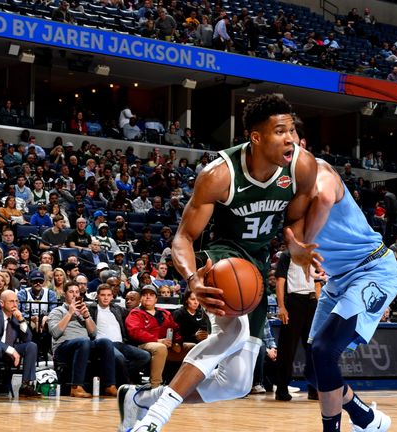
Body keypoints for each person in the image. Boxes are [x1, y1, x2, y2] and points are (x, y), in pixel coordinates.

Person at [121, 94, 317, 431]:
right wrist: (191, 279)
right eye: (281, 131)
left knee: (236, 383)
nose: (291, 138)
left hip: (255, 268)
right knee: (233, 332)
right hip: (221, 259)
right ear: (256, 137)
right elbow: (183, 238)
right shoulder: (219, 174)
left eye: (292, 131)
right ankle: (155, 419)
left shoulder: (302, 166)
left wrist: (295, 248)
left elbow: (293, 223)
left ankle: (142, 399)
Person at [281, 157, 397, 432]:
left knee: (324, 351)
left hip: (372, 269)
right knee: (313, 371)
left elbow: (323, 198)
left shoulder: (321, 170)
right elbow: (290, 234)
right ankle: (366, 418)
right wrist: (295, 245)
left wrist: (303, 246)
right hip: (338, 280)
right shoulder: (283, 190)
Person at [48, 281, 118, 398]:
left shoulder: (83, 311)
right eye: (71, 292)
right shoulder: (57, 311)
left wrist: (86, 316)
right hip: (63, 348)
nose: (75, 295)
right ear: (65, 294)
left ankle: (109, 385)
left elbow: (93, 333)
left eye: (77, 292)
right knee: (84, 342)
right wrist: (70, 313)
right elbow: (55, 333)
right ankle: (76, 387)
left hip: (84, 346)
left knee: (105, 342)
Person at [125, 285, 194, 388]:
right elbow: (135, 332)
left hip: (166, 344)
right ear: (141, 299)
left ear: (156, 299)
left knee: (192, 347)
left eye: (151, 295)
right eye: (145, 295)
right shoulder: (135, 313)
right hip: (143, 345)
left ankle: (188, 383)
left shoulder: (165, 313)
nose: (148, 297)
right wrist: (157, 340)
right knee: (160, 348)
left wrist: (177, 342)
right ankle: (155, 385)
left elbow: (175, 329)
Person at [274, 251, 319, 401]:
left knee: (314, 349)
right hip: (293, 303)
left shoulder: (314, 256)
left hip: (312, 303)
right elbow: (280, 282)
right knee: (287, 349)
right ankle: (281, 389)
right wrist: (281, 306)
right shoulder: (287, 256)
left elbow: (318, 283)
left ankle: (314, 389)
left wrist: (319, 308)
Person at [0, 290, 42, 398]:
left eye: (16, 301)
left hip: (10, 349)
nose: (15, 304)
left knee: (32, 346)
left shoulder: (16, 315)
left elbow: (28, 338)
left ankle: (25, 385)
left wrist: (21, 320)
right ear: (2, 303)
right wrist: (11, 350)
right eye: (11, 301)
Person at [90, 281, 151, 385]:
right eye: (103, 295)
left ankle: (120, 378)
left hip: (121, 343)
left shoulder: (116, 308)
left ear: (112, 296)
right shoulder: (91, 309)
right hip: (104, 345)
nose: (106, 298)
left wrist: (144, 305)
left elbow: (133, 314)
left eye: (108, 295)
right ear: (97, 296)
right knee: (120, 358)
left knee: (145, 356)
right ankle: (126, 384)